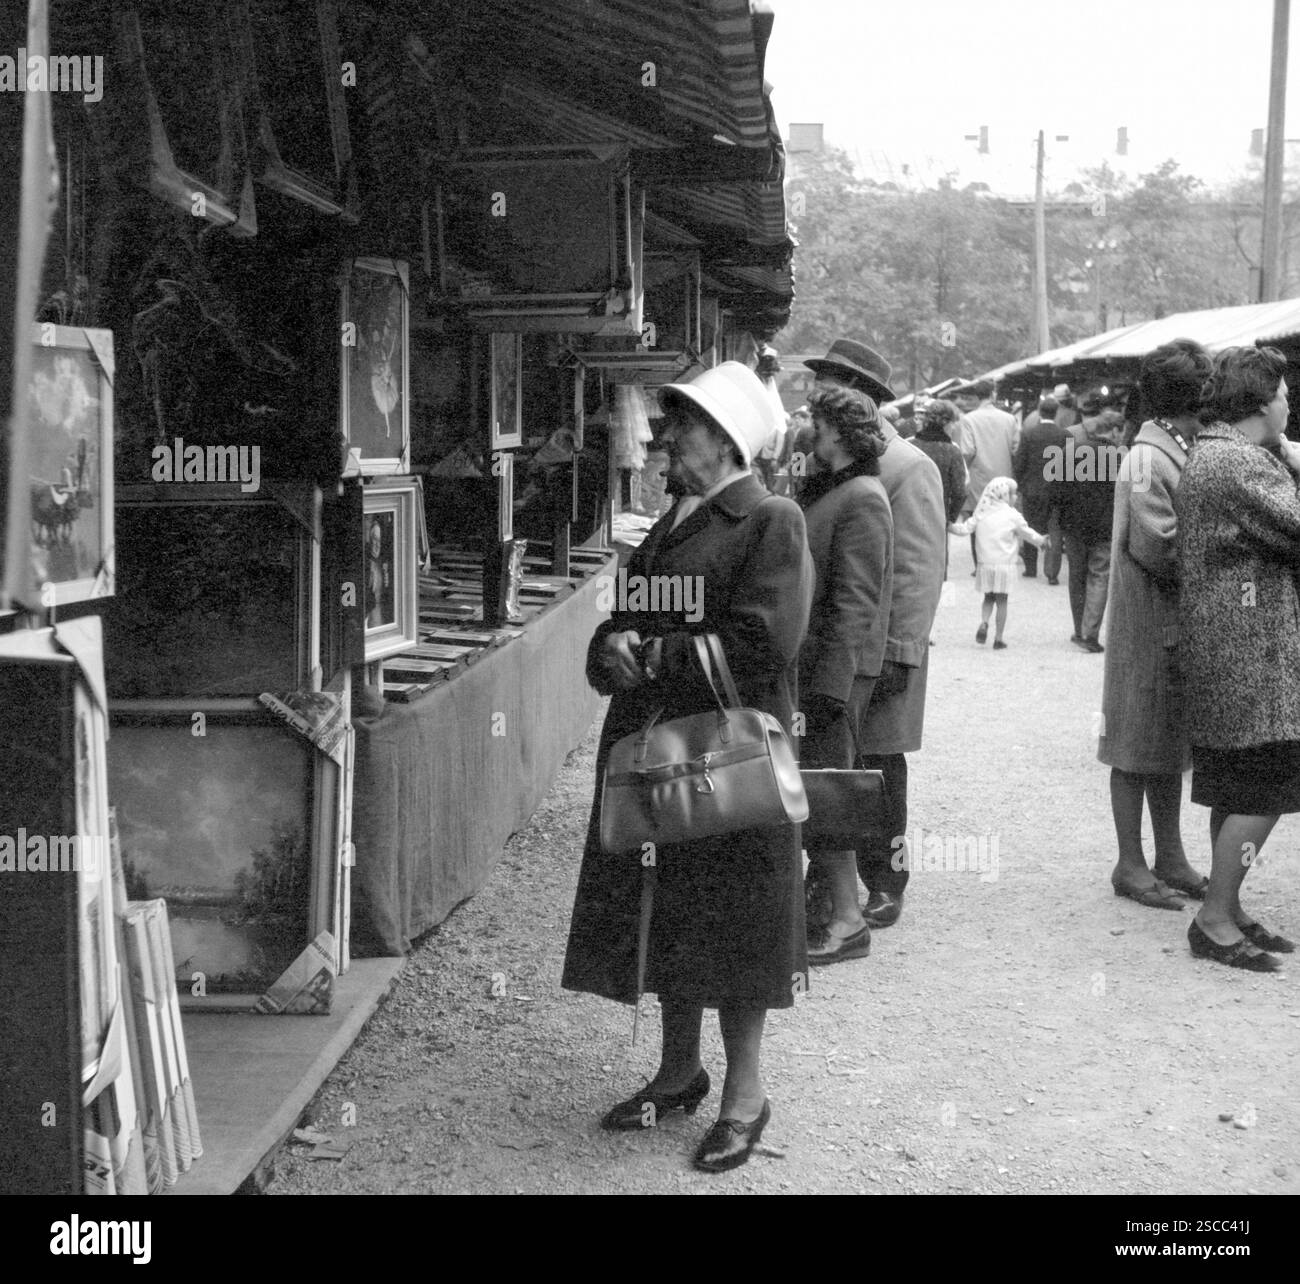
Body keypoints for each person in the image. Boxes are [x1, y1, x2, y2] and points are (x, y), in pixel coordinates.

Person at [562, 360, 815, 1169]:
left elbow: (766, 640)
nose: (666, 436)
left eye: (683, 423)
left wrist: (659, 652)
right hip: (661, 756)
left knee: (737, 918)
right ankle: (679, 1072)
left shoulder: (769, 519)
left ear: (727, 437)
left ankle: (747, 1094)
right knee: (666, 907)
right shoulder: (676, 520)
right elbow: (624, 619)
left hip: (728, 762)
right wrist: (611, 649)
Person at [803, 339, 945, 930]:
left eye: (838, 382)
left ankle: (886, 880)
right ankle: (829, 881)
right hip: (841, 642)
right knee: (835, 766)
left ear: (868, 398)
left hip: (883, 651)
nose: (822, 391)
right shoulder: (821, 460)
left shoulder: (909, 466)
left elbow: (918, 570)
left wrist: (899, 655)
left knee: (882, 769)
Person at [1177, 345, 1300, 971]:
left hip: (1230, 649)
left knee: (1236, 785)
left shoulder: (1217, 453)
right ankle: (1215, 917)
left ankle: (1228, 905)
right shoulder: (1241, 464)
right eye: (1281, 393)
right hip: (1253, 653)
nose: (1288, 402)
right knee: (1267, 785)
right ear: (1258, 401)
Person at [1100, 339, 1213, 911]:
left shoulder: (1170, 449)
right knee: (1133, 742)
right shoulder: (1149, 458)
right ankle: (1130, 862)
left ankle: (1169, 857)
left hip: (1168, 625)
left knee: (1167, 744)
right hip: (1146, 626)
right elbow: (1156, 546)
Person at [797, 383, 893, 965]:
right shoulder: (840, 486)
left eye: (816, 420)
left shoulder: (862, 497)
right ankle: (833, 910)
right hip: (820, 670)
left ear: (837, 432)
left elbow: (857, 601)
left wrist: (831, 688)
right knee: (817, 789)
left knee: (828, 793)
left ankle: (847, 921)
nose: (809, 428)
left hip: (835, 677)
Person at [949, 477, 1047, 649]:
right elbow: (1027, 533)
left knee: (988, 597)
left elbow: (964, 529)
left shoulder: (981, 513)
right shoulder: (1013, 516)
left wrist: (948, 526)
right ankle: (999, 638)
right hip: (1004, 565)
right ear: (1004, 495)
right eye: (1013, 494)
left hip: (985, 564)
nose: (1015, 497)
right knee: (1002, 601)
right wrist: (1041, 541)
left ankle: (984, 622)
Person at [1053, 409, 1122, 651]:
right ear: (1114, 430)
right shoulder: (1120, 456)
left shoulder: (1068, 451)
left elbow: (1054, 489)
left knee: (1076, 576)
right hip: (1105, 527)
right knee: (1099, 575)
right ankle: (1089, 633)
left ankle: (1077, 628)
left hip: (1073, 526)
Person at [956, 379, 1020, 570]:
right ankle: (1002, 563)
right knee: (1002, 521)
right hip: (1004, 476)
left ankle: (980, 565)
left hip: (979, 477)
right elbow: (1016, 448)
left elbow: (967, 450)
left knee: (979, 519)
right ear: (993, 394)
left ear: (976, 396)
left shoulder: (969, 419)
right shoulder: (1009, 419)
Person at [1012, 395, 1068, 581]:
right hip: (1057, 490)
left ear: (1039, 411)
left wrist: (1020, 484)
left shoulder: (1028, 434)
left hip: (1032, 489)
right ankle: (1052, 573)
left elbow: (1020, 463)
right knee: (1054, 529)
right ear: (1056, 412)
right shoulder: (1064, 435)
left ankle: (1030, 568)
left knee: (1030, 526)